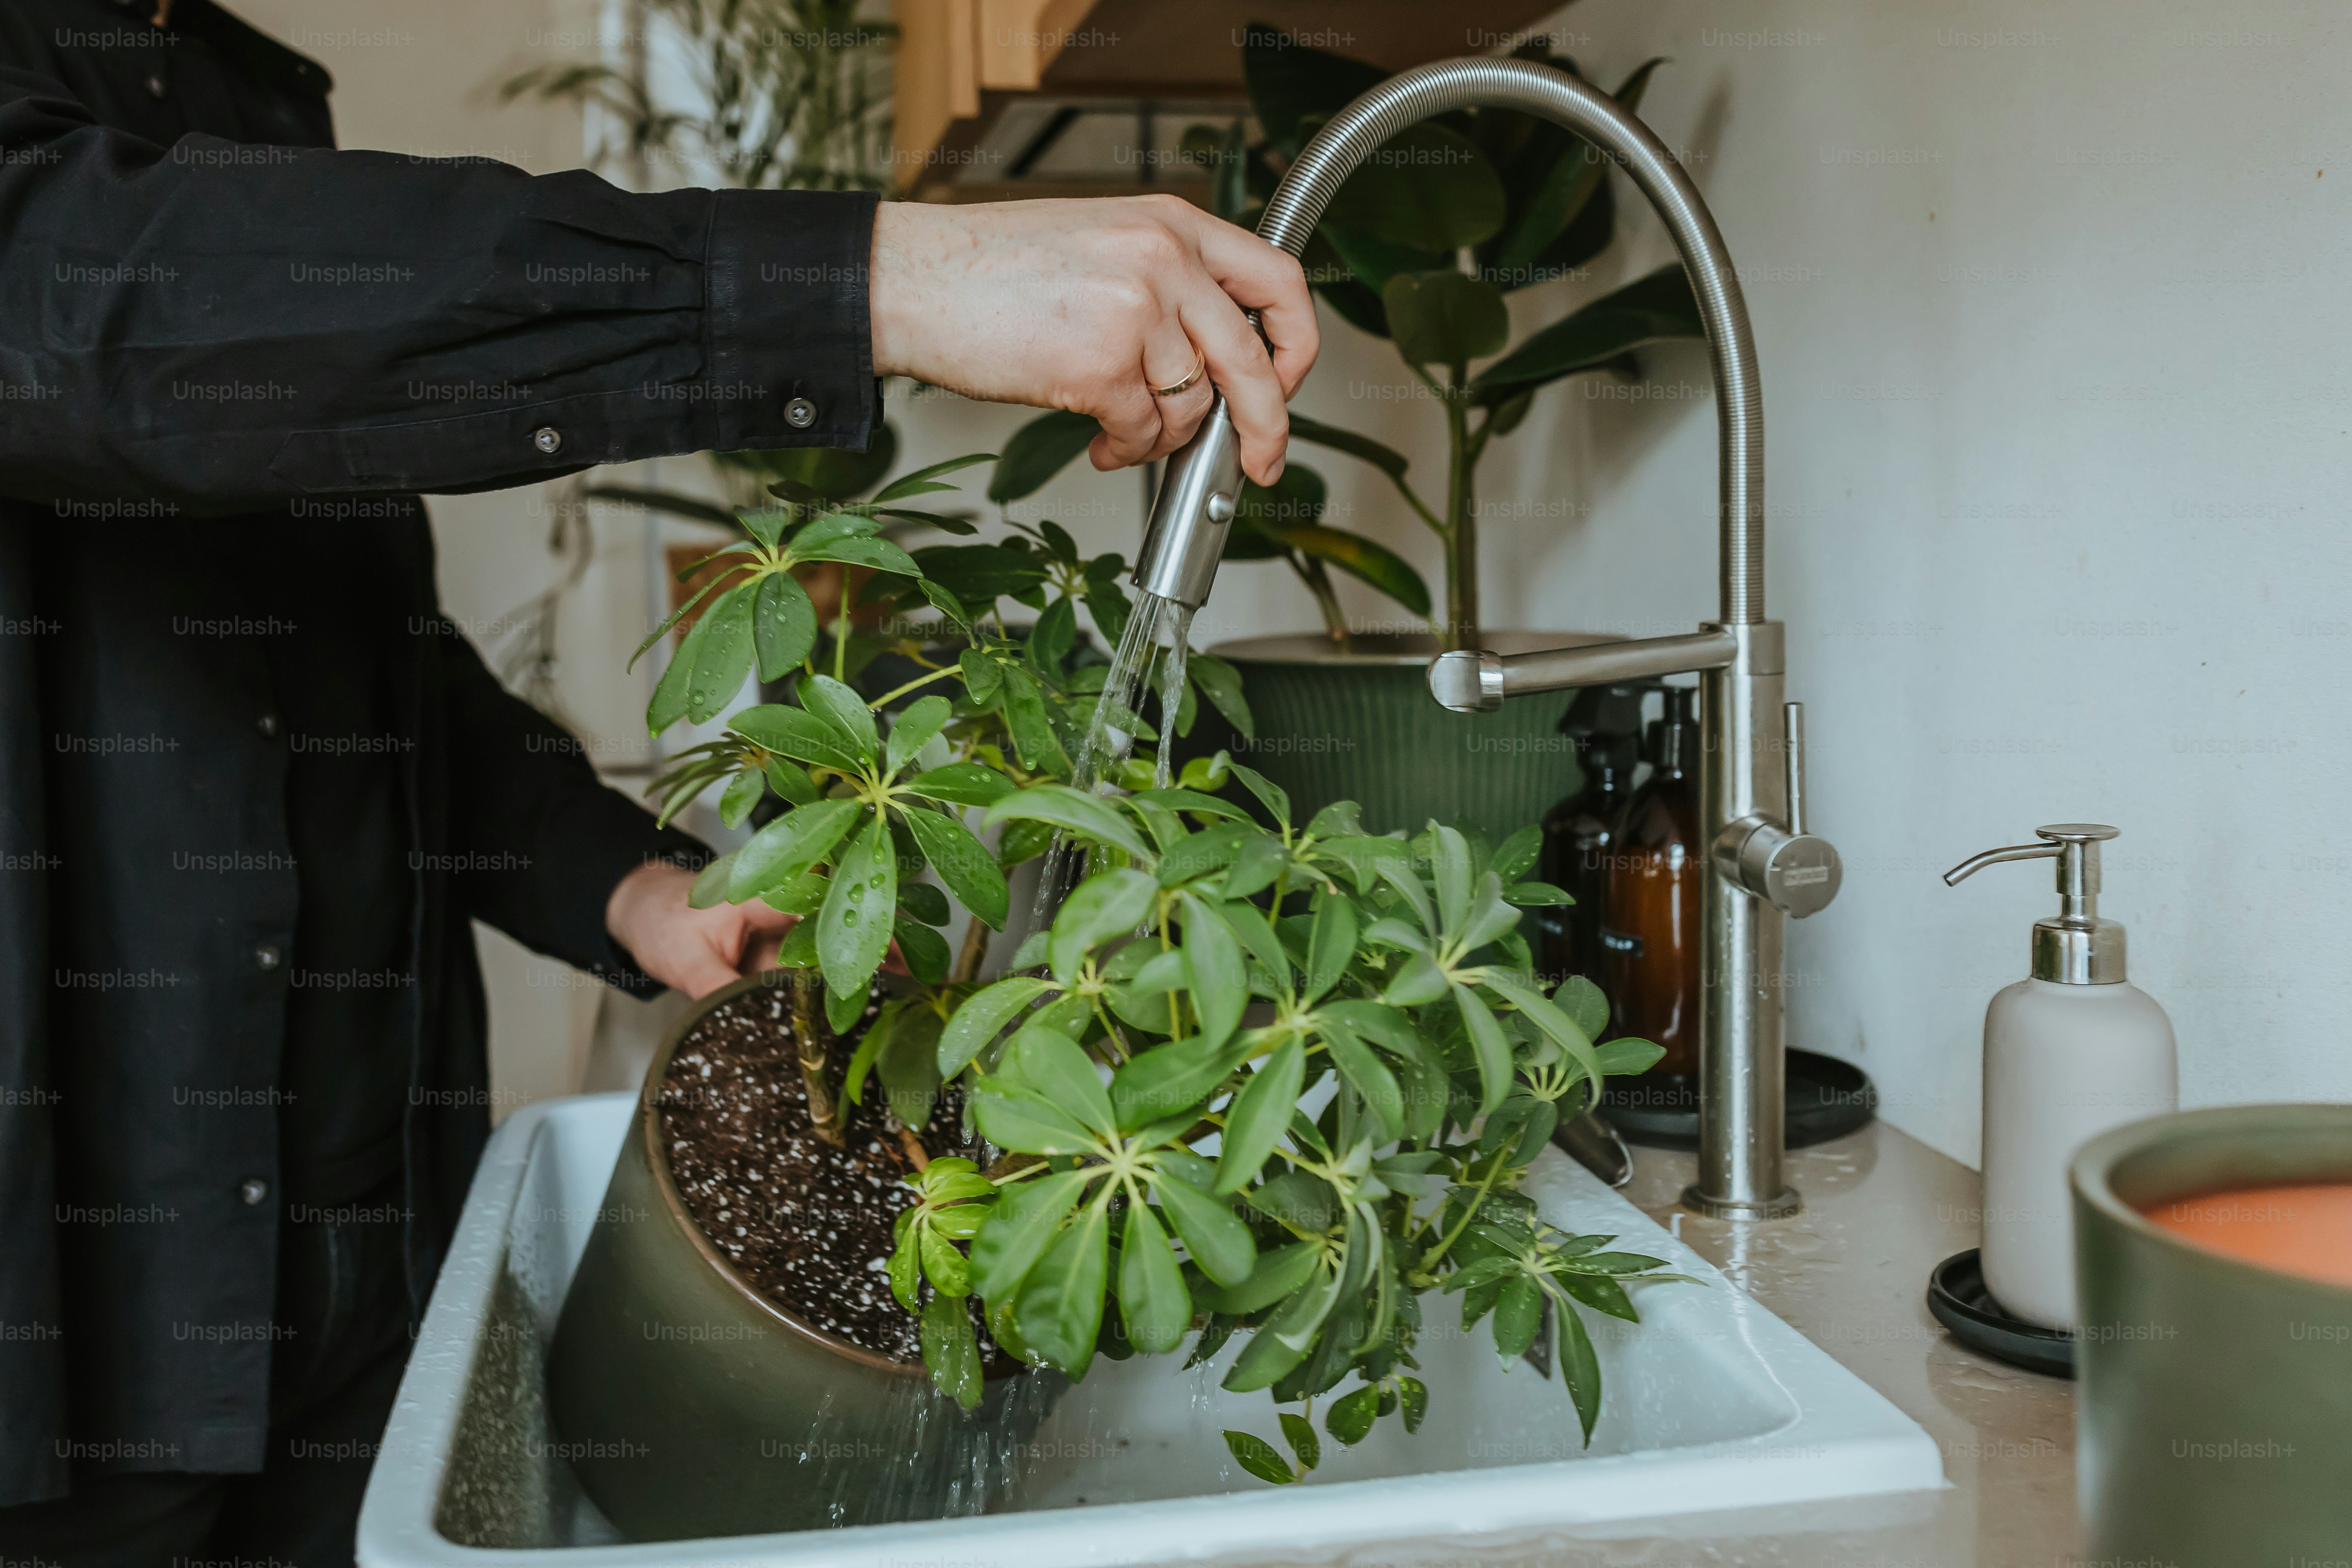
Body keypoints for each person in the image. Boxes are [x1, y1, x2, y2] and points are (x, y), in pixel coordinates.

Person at [0, 0, 1317, 1561]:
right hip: (62, 1335)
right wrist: (877, 275)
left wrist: (628, 882)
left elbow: (354, 663)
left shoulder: (239, 83)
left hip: (355, 1254)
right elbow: (84, 311)